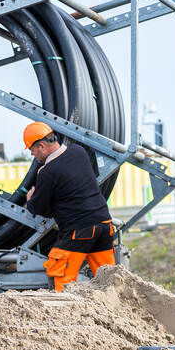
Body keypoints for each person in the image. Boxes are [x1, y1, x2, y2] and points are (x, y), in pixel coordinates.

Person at [23, 121, 116, 291]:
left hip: (79, 231)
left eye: (32, 150)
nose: (32, 155)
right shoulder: (78, 152)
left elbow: (38, 209)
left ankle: (66, 315)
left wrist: (31, 197)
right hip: (104, 224)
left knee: (61, 279)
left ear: (42, 146)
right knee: (109, 281)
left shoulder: (48, 172)